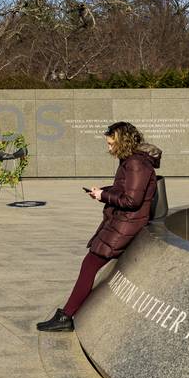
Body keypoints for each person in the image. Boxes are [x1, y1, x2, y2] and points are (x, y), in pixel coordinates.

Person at [36, 121, 162, 332]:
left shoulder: (135, 164)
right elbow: (123, 189)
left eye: (112, 143)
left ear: (123, 141)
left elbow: (132, 201)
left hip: (126, 224)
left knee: (89, 265)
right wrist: (102, 191)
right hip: (121, 222)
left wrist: (104, 196)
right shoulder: (131, 161)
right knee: (91, 265)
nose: (109, 148)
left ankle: (66, 317)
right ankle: (66, 315)